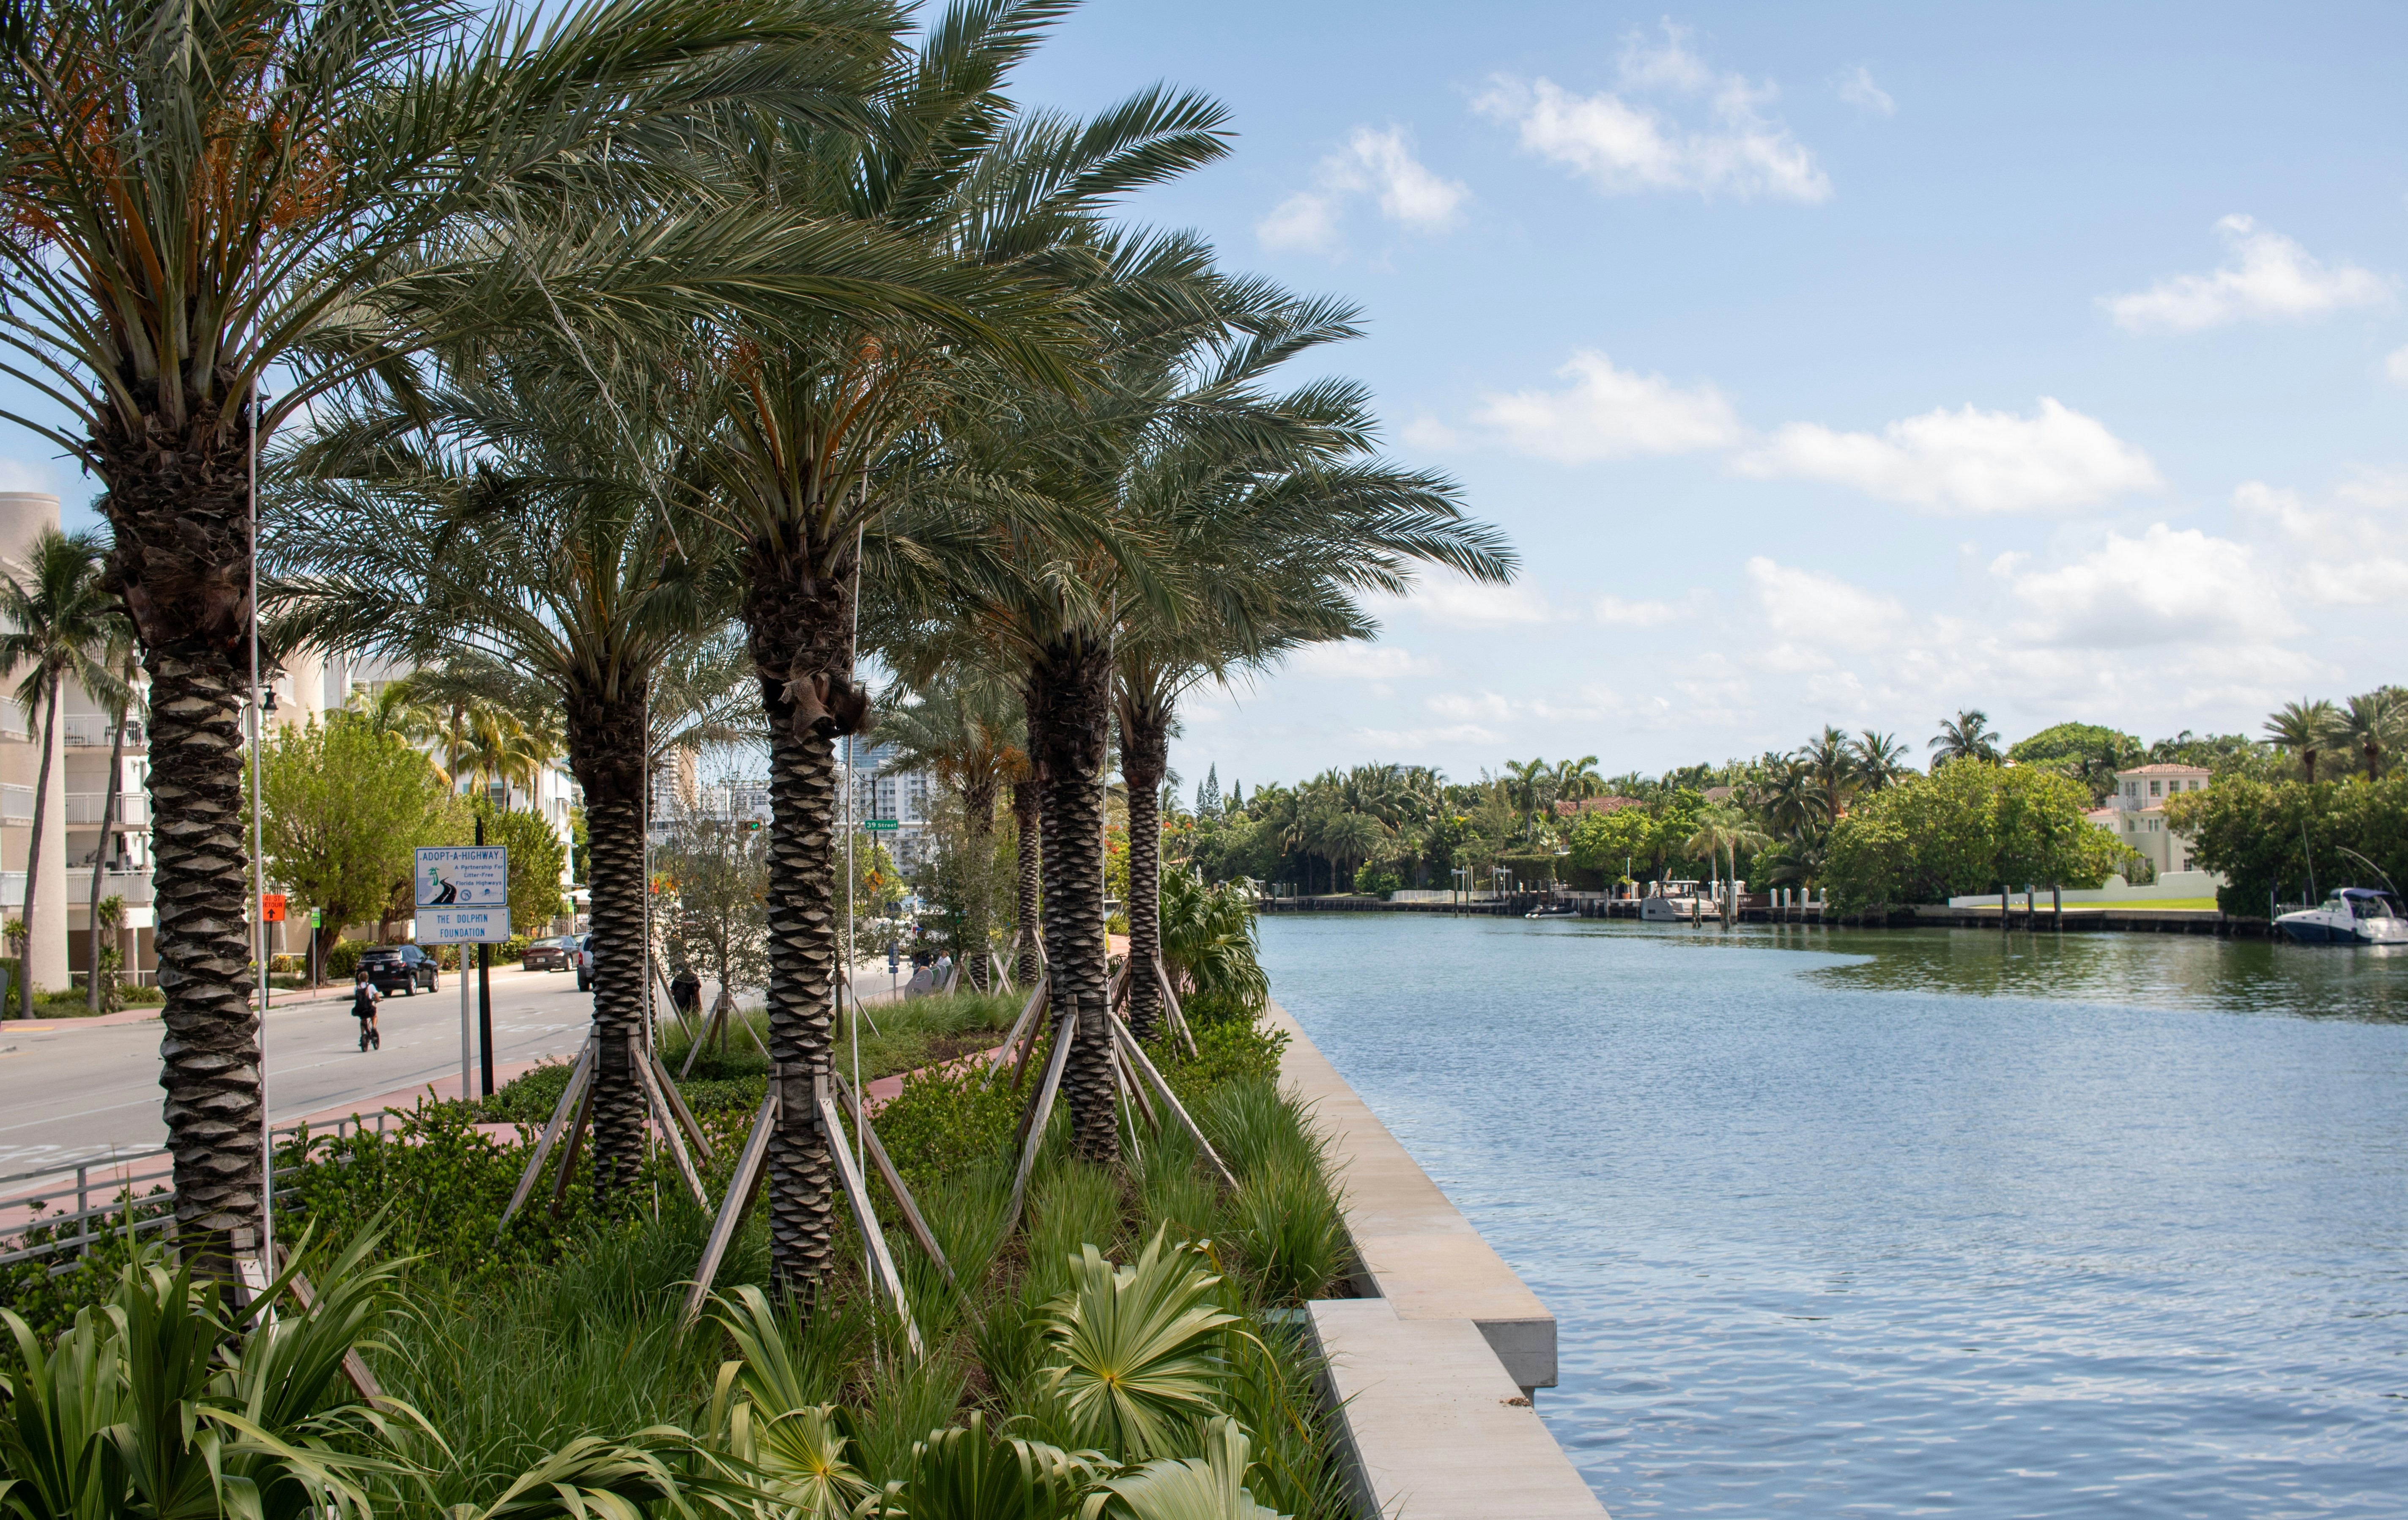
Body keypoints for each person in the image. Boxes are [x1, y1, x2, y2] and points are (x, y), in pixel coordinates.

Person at [350, 975, 381, 1051]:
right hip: (368, 1008)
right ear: (367, 978)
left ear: (360, 978)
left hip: (359, 1009)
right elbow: (377, 997)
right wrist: (379, 1000)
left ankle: (363, 1035)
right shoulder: (371, 986)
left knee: (363, 1020)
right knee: (374, 1016)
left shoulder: (356, 987)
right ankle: (374, 1027)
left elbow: (357, 998)